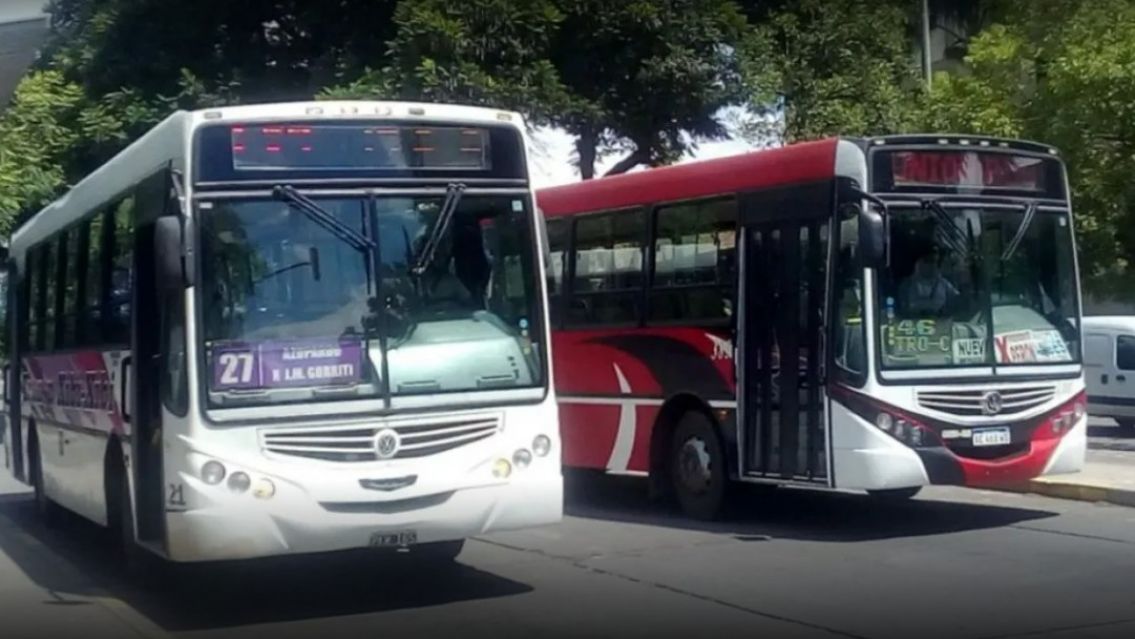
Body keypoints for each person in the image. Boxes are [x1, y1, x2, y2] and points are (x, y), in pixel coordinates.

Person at [898, 248, 959, 315]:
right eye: (926, 261)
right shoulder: (907, 285)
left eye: (934, 261)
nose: (931, 265)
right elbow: (902, 309)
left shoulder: (945, 285)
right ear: (918, 263)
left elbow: (956, 305)